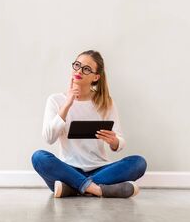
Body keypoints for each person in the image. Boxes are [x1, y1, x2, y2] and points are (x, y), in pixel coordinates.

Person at [31, 50, 147, 198]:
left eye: (86, 69)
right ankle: (97, 190)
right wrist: (67, 105)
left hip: (100, 168)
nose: (79, 71)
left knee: (138, 163)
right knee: (39, 157)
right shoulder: (55, 100)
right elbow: (49, 138)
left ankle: (73, 188)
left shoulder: (106, 102)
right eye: (77, 65)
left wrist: (114, 141)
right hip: (68, 169)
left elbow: (120, 142)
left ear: (96, 77)